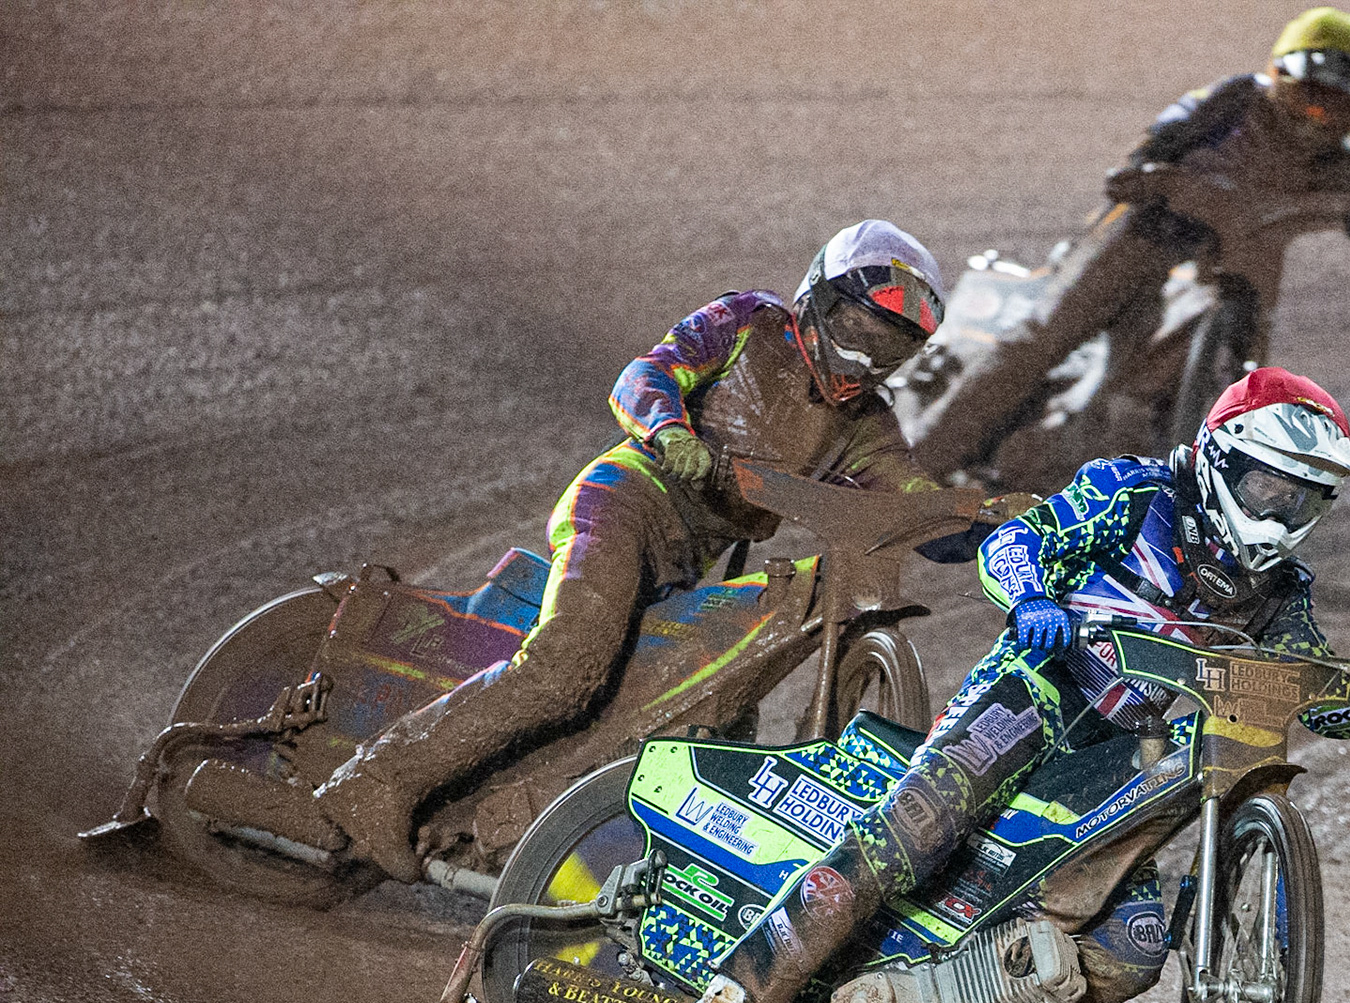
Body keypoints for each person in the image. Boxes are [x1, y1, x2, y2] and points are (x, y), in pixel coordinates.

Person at [678, 365, 1350, 1003]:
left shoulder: (1281, 592)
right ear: (1220, 459)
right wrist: (1032, 601)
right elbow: (1019, 541)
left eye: (1301, 501)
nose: (1279, 516)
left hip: (1120, 753)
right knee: (914, 830)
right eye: (1266, 489)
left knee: (1136, 944)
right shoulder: (1136, 491)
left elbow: (1311, 695)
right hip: (1032, 693)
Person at [252, 221, 949, 881]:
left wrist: (993, 524)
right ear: (818, 299)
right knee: (568, 667)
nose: (866, 356)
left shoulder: (868, 425)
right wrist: (670, 431)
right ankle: (372, 783)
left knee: (704, 713)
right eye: (859, 329)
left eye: (889, 347)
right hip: (627, 499)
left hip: (688, 560)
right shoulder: (749, 322)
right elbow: (645, 375)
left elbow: (914, 499)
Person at [910, 6, 1350, 482]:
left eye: (1346, 79)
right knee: (1043, 339)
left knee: (1246, 391)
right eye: (1317, 69)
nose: (1325, 93)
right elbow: (1167, 132)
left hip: (1240, 268)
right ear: (1282, 66)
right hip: (1152, 232)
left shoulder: (1346, 165)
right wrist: (1142, 170)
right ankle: (916, 470)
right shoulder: (1235, 100)